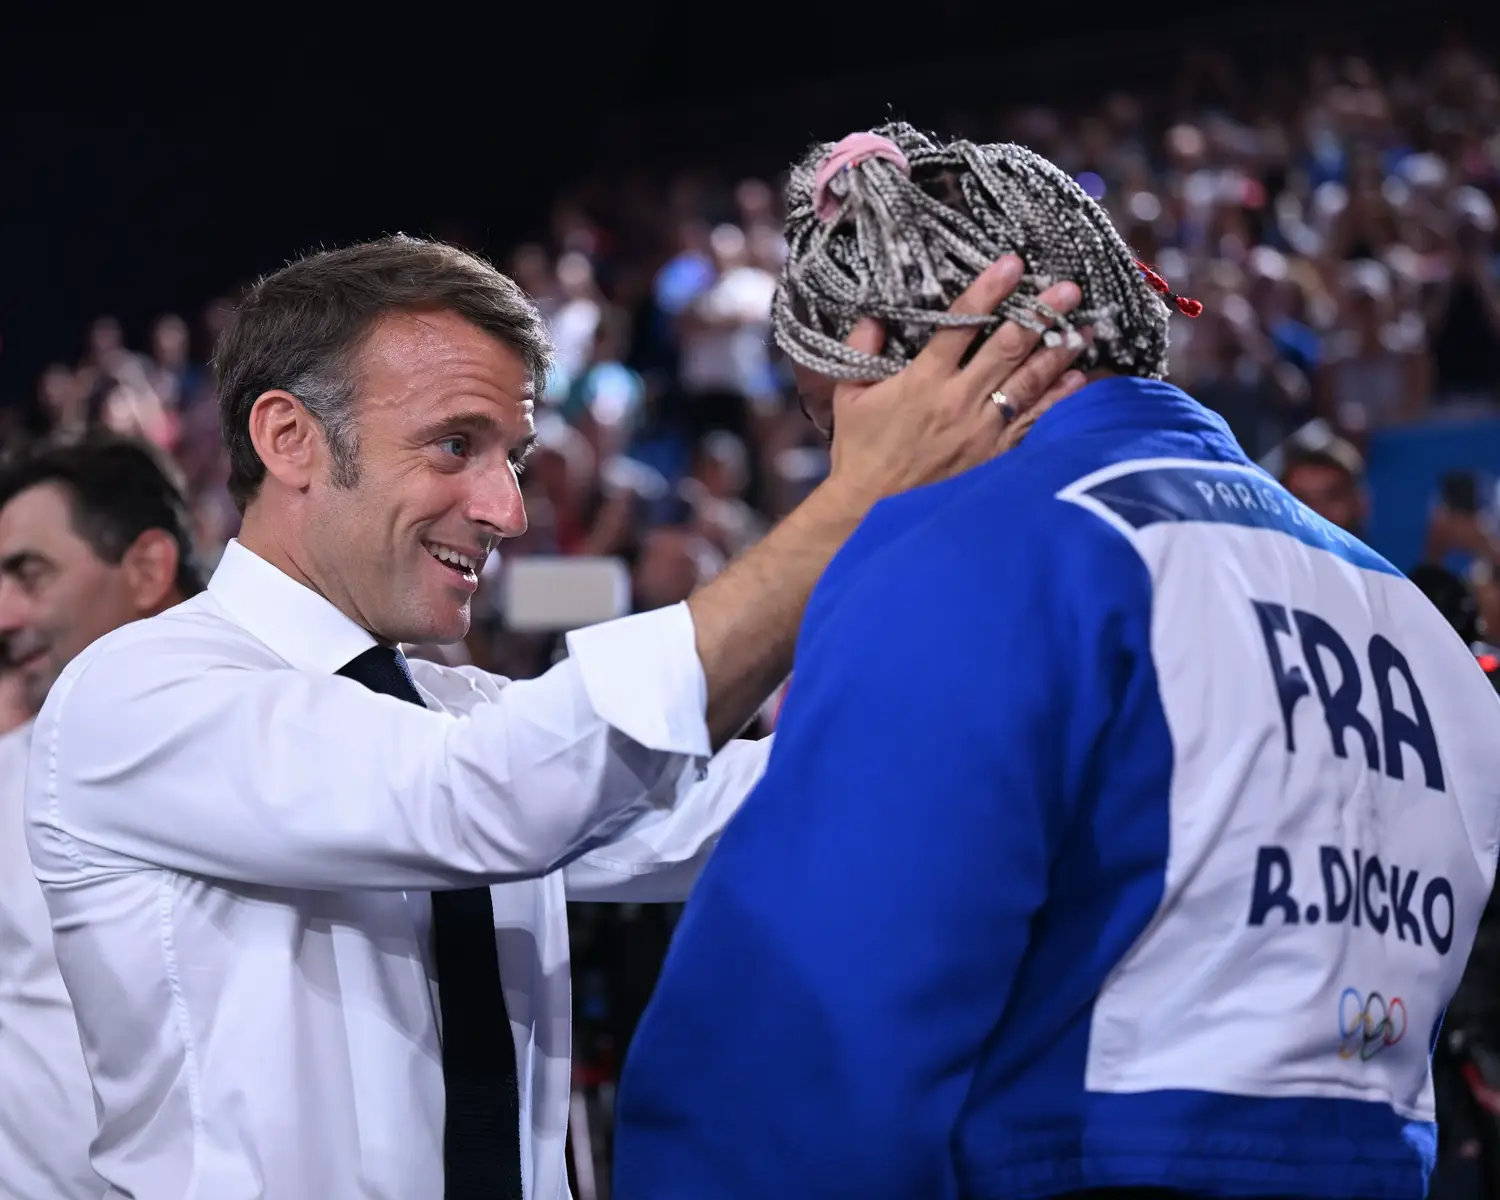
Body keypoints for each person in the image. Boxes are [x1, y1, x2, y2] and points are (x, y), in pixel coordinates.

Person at [25, 234, 1087, 1200]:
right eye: (454, 446)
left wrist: (1070, 660)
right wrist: (858, 501)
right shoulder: (136, 696)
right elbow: (484, 801)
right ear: (290, 438)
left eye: (514, 459)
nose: (508, 510)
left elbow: (759, 807)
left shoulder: (456, 711)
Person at [613, 124, 1500, 1200]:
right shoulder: (1410, 619)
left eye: (823, 411)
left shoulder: (980, 553)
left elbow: (798, 1056)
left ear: (913, 364)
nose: (836, 462)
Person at [0, 434, 204, 1199]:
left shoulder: (285, 740)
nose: (4, 614)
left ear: (147, 569)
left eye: (30, 575)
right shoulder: (17, 770)